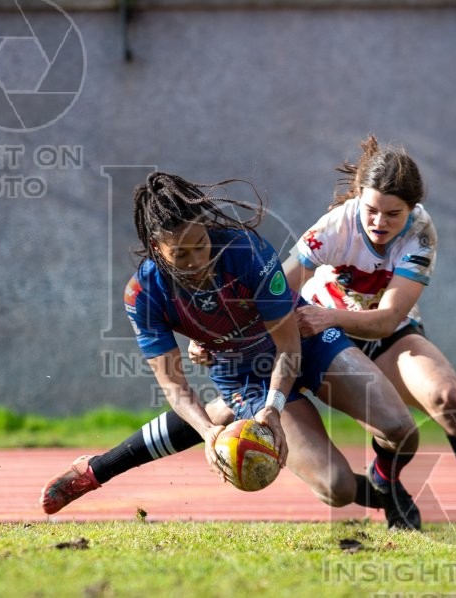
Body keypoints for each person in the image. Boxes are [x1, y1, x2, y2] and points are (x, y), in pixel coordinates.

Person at [41, 171, 423, 529]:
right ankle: (378, 495)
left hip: (303, 343)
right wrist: (209, 434)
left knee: (400, 429)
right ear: (156, 250)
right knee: (336, 488)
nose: (196, 263)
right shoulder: (142, 294)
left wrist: (272, 408)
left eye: (200, 246)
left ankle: (384, 482)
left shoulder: (247, 252)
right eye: (180, 255)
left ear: (208, 231)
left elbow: (288, 347)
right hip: (243, 373)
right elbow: (174, 385)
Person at [279, 135, 456, 530]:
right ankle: (392, 494)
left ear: (412, 208)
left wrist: (332, 317)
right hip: (328, 337)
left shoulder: (421, 231)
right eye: (371, 210)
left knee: (448, 398)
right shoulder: (334, 226)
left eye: (393, 214)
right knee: (388, 426)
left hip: (379, 326)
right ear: (359, 195)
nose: (379, 222)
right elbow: (277, 290)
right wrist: (219, 335)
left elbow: (386, 318)